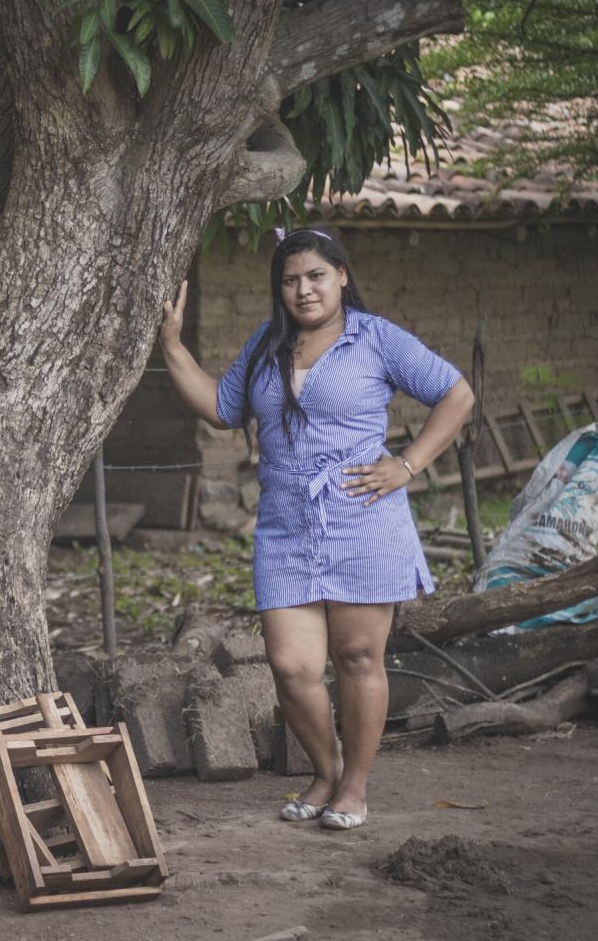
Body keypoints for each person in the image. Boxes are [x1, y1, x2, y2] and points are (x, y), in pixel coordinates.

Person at [159, 228, 474, 830]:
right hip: (286, 524)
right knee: (291, 665)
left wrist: (406, 465)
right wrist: (173, 346)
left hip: (361, 515)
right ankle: (325, 769)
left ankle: (354, 786)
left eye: (315, 276)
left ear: (342, 277)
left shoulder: (375, 338)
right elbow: (223, 410)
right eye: (290, 279)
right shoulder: (266, 344)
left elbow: (455, 393)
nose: (303, 290)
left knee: (357, 656)